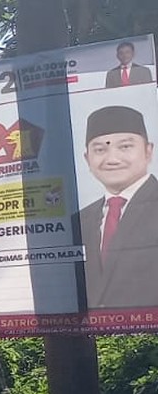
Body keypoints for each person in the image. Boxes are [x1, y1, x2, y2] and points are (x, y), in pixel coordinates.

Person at [79, 104, 158, 309]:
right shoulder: (78, 221)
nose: (112, 159)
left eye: (125, 146)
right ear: (87, 158)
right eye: (100, 149)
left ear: (148, 151)